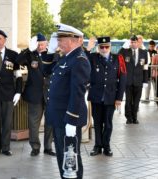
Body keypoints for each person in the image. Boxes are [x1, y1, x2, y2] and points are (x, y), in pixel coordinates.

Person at [44, 24, 91, 179]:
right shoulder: (68, 57)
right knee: (63, 159)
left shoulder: (79, 60)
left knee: (70, 161)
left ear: (74, 40)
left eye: (61, 39)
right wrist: (49, 53)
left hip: (67, 119)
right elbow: (45, 71)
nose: (58, 43)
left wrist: (72, 120)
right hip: (59, 117)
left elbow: (77, 93)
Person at [86, 37, 127, 157]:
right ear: (98, 48)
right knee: (97, 123)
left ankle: (106, 146)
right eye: (101, 47)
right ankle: (97, 146)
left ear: (110, 46)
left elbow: (123, 78)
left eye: (106, 46)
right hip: (96, 96)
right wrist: (88, 48)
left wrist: (119, 98)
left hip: (111, 96)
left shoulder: (118, 58)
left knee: (108, 124)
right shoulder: (93, 57)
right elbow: (82, 59)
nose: (104, 49)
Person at [16, 33, 56, 157]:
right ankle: (35, 146)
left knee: (50, 122)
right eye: (38, 44)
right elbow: (17, 61)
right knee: (33, 122)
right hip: (35, 94)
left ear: (46, 43)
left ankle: (48, 147)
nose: (40, 46)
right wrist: (28, 49)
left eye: (42, 44)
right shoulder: (30, 54)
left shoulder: (52, 54)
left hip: (50, 93)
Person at [119, 35, 148, 124]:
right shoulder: (125, 52)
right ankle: (128, 118)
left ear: (138, 43)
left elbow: (145, 67)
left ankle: (135, 117)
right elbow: (119, 56)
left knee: (136, 102)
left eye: (135, 42)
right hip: (128, 81)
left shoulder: (144, 52)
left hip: (138, 81)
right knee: (128, 101)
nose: (134, 44)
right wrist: (124, 46)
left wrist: (145, 81)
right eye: (132, 42)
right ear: (130, 43)